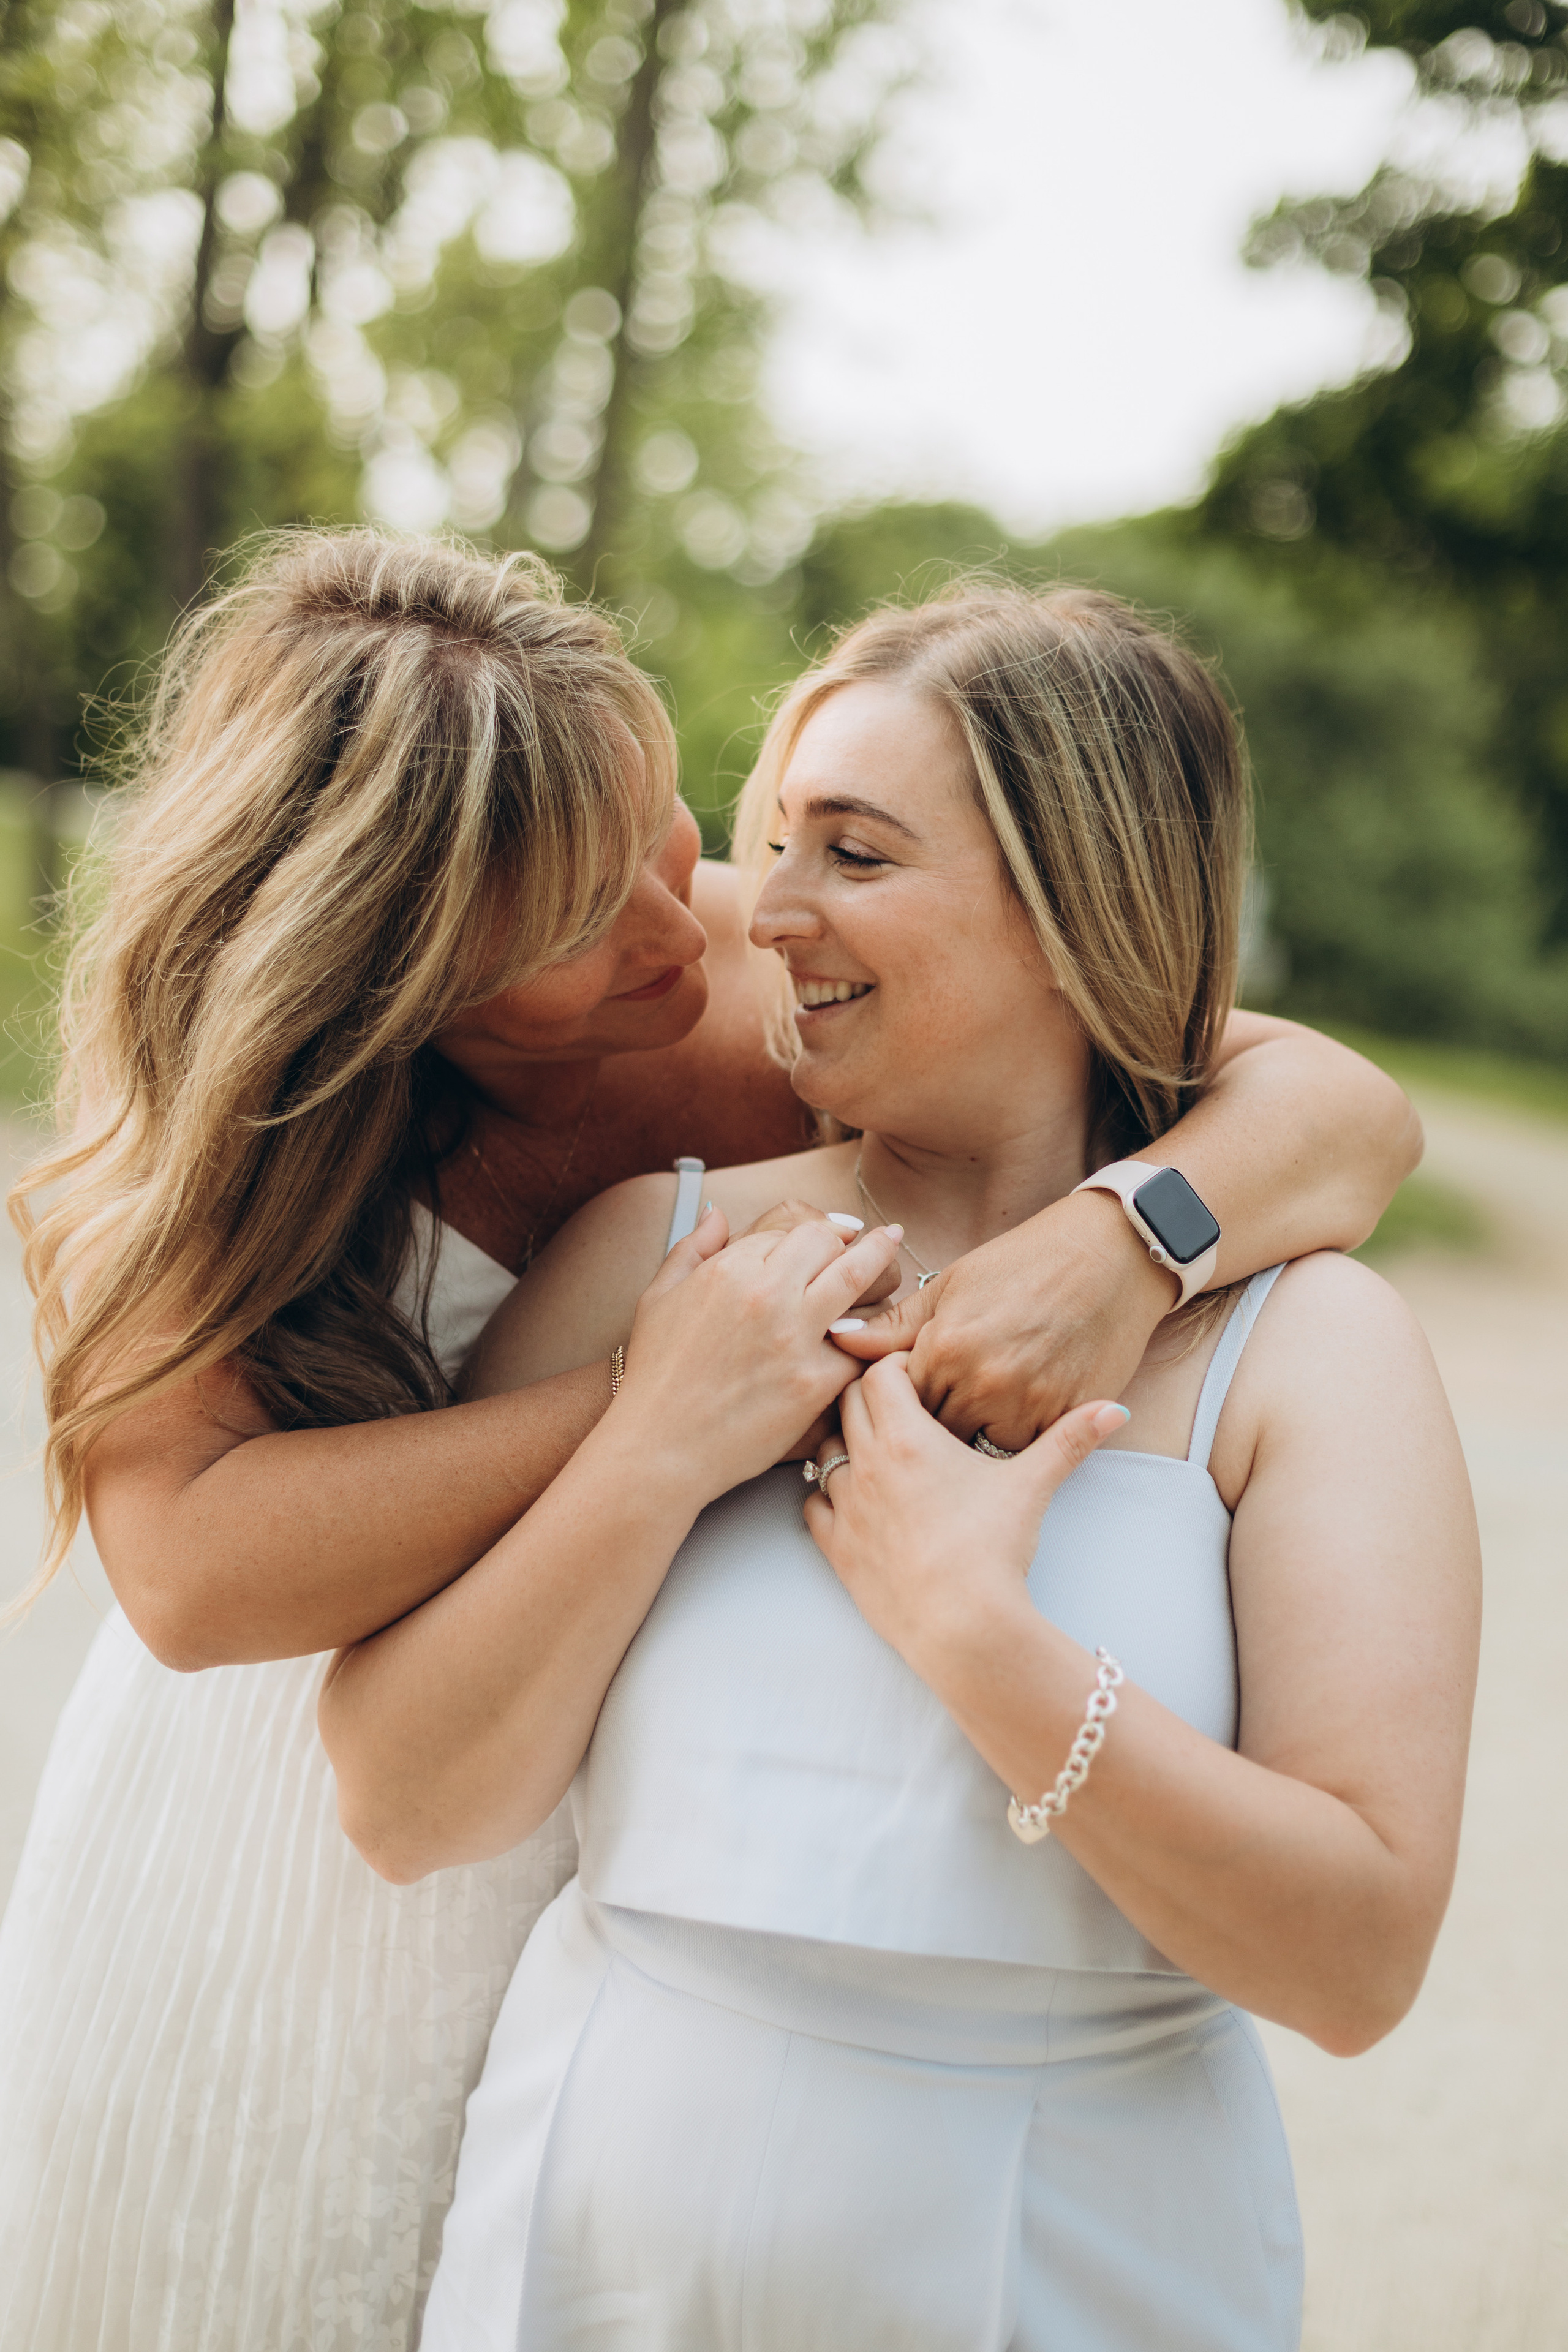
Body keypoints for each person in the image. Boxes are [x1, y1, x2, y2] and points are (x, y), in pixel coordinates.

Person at [1, 536, 1416, 2352]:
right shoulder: (232, 1136)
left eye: (678, 840)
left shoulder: (782, 984)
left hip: (599, 1821)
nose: (702, 932)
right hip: (277, 1811)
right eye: (593, 920)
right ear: (394, 976)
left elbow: (1332, 1102)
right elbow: (198, 1583)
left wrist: (1128, 1237)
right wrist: (642, 1412)